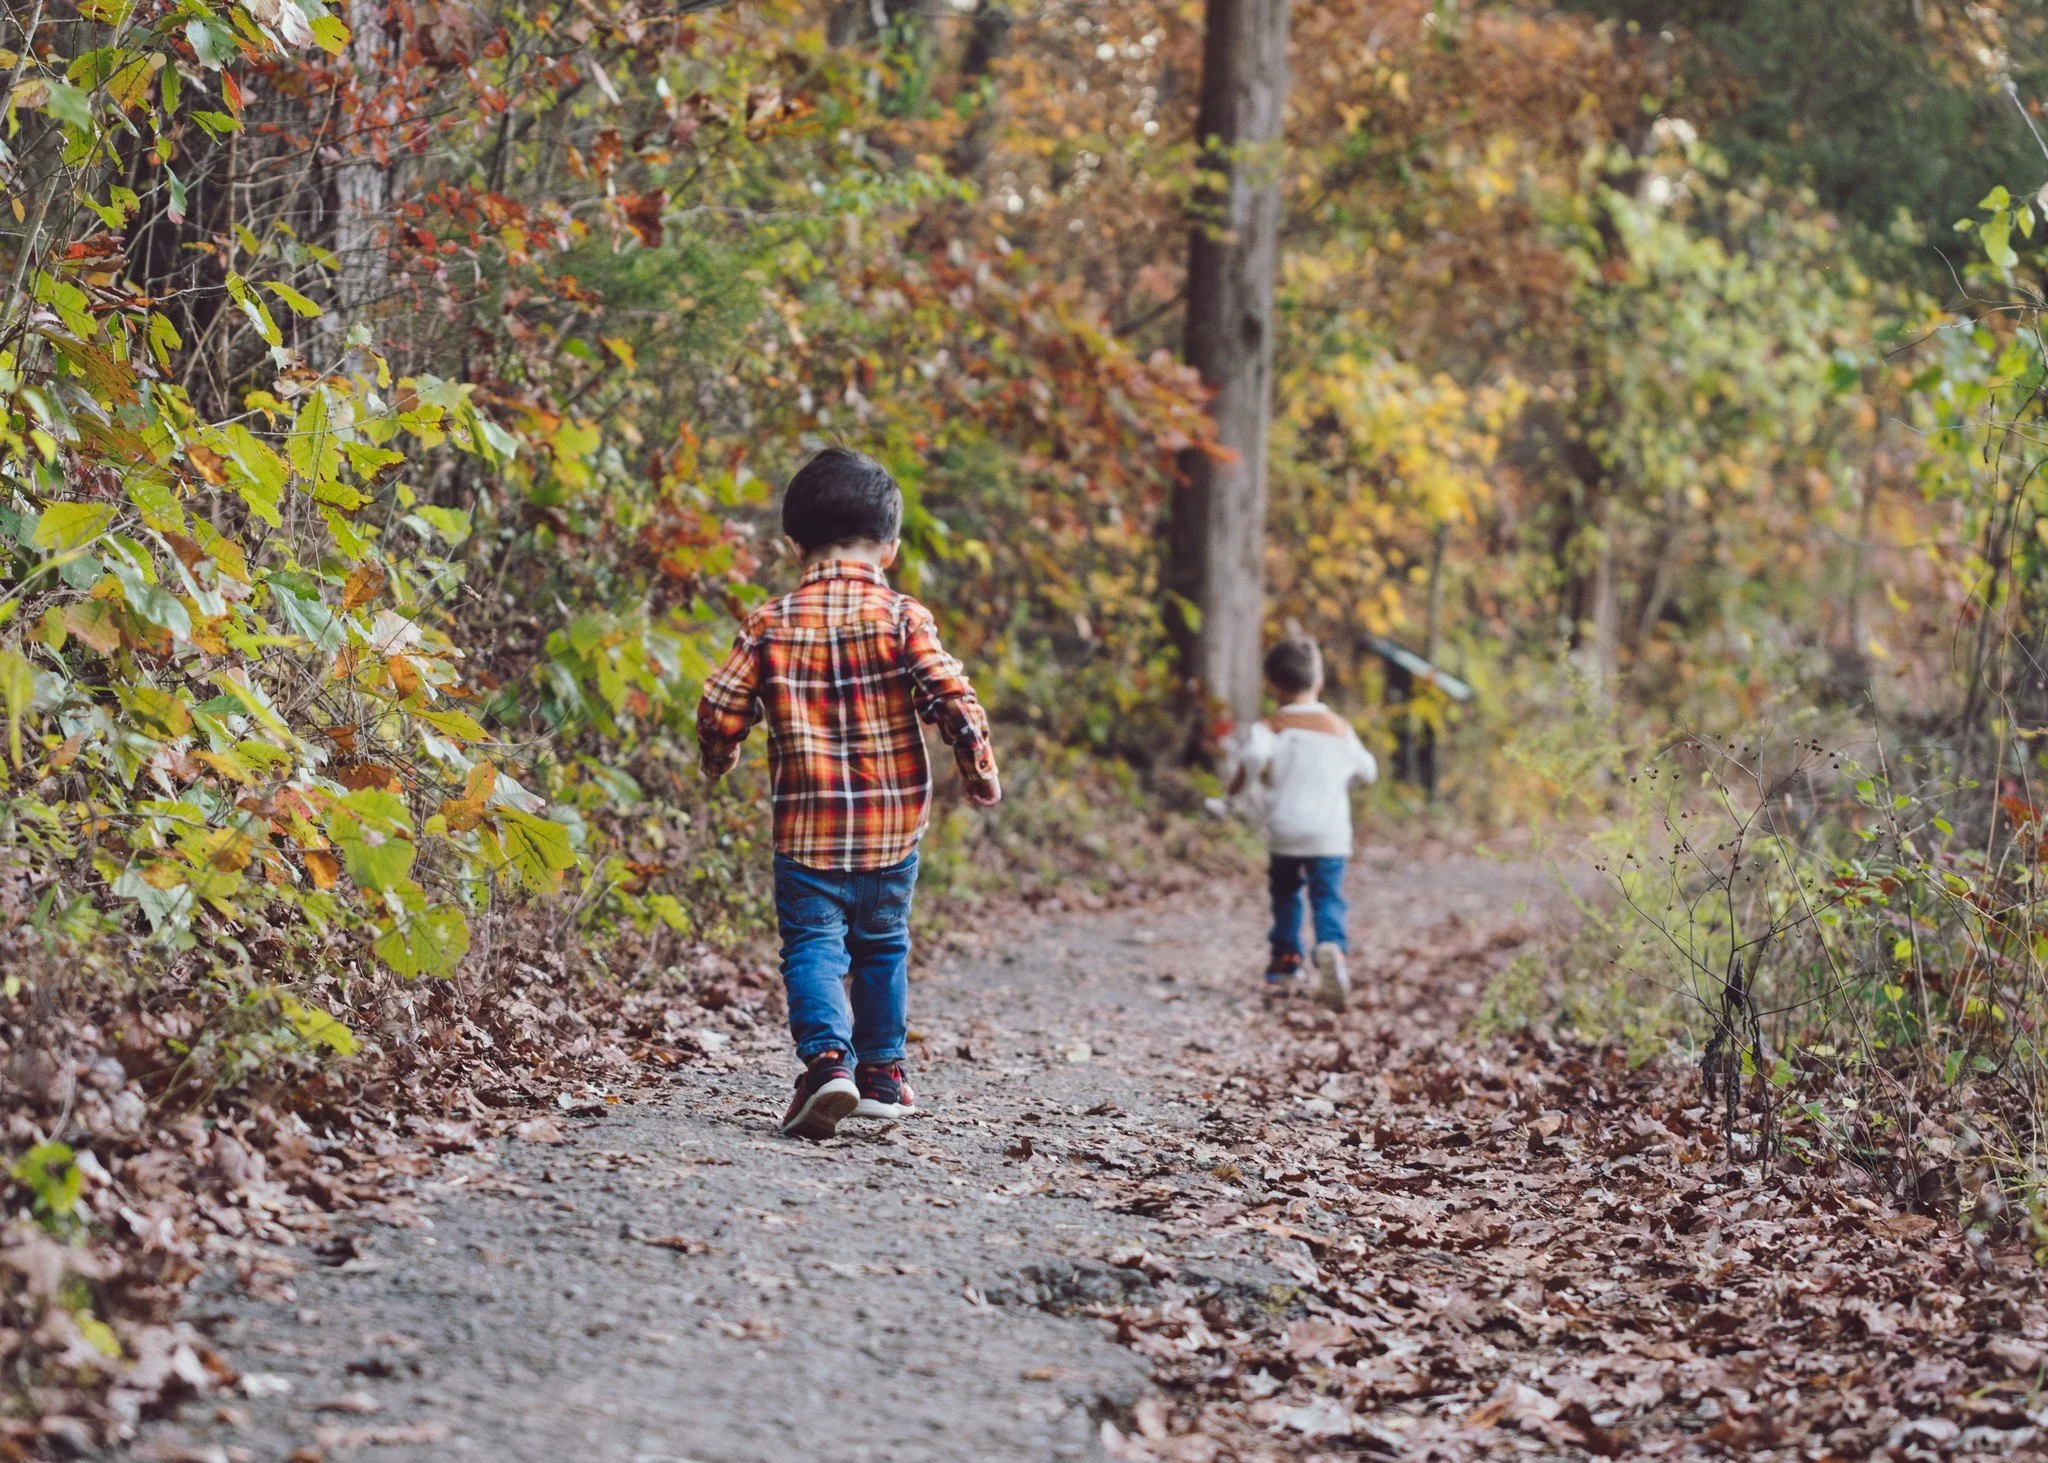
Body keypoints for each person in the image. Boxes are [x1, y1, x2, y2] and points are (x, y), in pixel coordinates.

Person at [696, 447, 1001, 1139]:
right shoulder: (902, 616)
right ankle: (884, 1075)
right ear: (889, 547)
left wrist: (722, 754)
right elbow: (951, 695)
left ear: (794, 544)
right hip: (892, 831)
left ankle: (828, 1060)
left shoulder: (769, 621)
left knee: (811, 945)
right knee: (883, 943)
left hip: (805, 830)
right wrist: (977, 767)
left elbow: (719, 706)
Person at [1227, 635, 1378, 1012]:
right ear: (1319, 682)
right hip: (1330, 833)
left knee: (1286, 895)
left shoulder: (1273, 725)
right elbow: (1369, 771)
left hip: (1286, 831)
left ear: (1273, 685)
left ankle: (1286, 960)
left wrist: (1251, 778)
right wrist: (1345, 779)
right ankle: (1332, 948)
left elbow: (1254, 754)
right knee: (1328, 896)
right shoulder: (1338, 727)